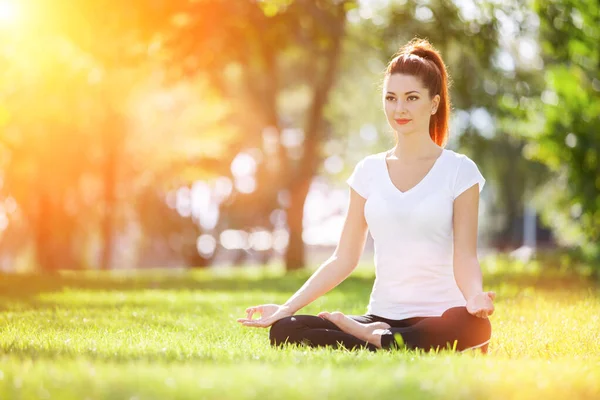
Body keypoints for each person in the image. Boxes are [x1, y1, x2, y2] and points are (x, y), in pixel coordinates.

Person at [236, 38, 495, 353]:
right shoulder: (368, 171)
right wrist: (285, 309)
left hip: (439, 316)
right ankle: (383, 338)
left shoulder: (459, 170)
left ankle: (373, 339)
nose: (399, 108)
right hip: (380, 316)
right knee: (286, 330)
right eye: (391, 98)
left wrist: (474, 297)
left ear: (434, 103)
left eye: (412, 98)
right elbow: (343, 258)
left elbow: (465, 256)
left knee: (474, 325)